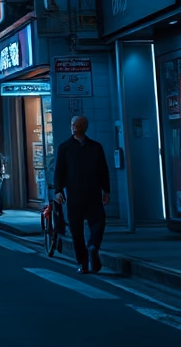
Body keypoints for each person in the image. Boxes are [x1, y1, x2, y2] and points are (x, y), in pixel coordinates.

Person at [53, 116, 111, 274]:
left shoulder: (95, 147)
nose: (75, 127)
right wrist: (58, 190)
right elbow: (59, 171)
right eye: (73, 125)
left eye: (78, 125)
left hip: (93, 192)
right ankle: (83, 262)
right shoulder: (65, 147)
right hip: (74, 194)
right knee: (76, 230)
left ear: (85, 127)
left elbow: (103, 170)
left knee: (98, 221)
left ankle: (93, 247)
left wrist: (106, 190)